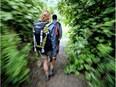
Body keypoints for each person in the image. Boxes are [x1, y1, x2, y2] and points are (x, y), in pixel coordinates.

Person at [33, 11, 58, 81]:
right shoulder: (51, 26)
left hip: (41, 48)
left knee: (44, 61)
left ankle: (46, 75)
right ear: (49, 17)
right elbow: (53, 40)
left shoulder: (36, 25)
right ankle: (51, 69)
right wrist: (55, 52)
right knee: (52, 58)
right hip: (49, 48)